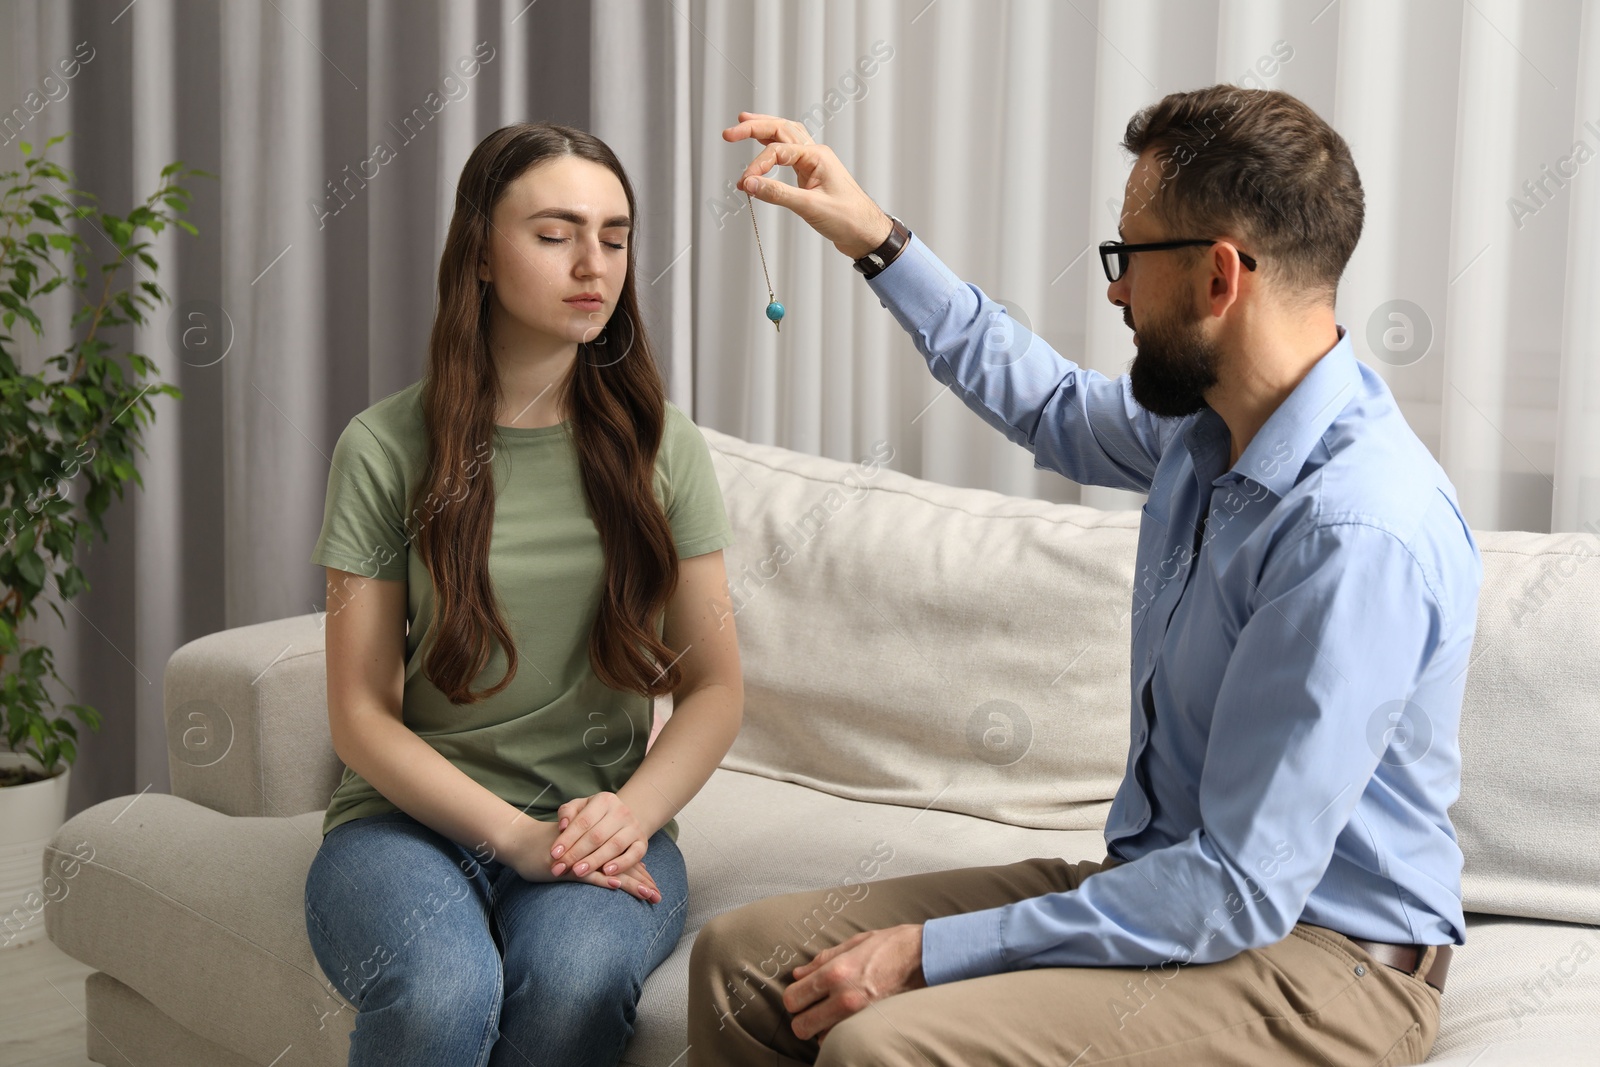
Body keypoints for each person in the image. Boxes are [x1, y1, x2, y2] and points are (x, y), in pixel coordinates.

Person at [689, 86, 1481, 1066]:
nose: (1114, 292)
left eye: (1128, 257)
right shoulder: (1211, 426)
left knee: (881, 1044)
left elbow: (1239, 885)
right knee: (740, 961)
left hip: (1320, 964)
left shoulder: (1353, 534)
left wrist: (931, 951)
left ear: (1218, 276)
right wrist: (873, 237)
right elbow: (1050, 403)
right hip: (1169, 888)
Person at [302, 122, 743, 1067]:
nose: (594, 263)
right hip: (403, 826)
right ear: (481, 256)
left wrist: (628, 814)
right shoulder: (382, 449)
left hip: (601, 823)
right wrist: (511, 835)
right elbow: (359, 715)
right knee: (442, 991)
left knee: (575, 983)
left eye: (615, 236)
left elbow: (714, 688)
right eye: (554, 234)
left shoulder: (666, 445)